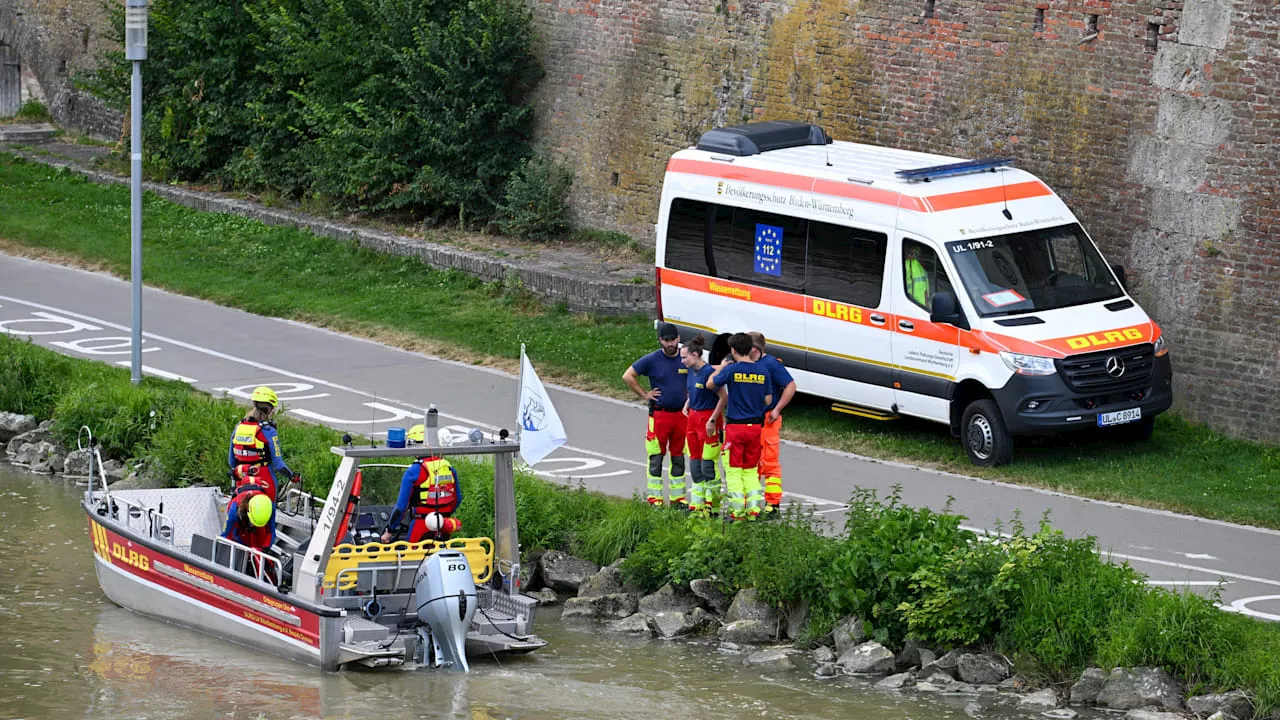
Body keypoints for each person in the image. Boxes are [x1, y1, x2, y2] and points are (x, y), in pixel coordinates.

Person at [705, 333, 772, 521]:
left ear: (733, 350)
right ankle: (753, 511)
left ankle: (737, 513)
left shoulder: (732, 370)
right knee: (750, 470)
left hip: (735, 427)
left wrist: (722, 368)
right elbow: (768, 399)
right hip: (755, 428)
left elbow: (710, 384)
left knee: (733, 471)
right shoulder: (762, 371)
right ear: (751, 349)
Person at [623, 322, 689, 507]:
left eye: (672, 340)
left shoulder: (685, 357)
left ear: (678, 339)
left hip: (682, 417)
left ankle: (678, 499)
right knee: (656, 457)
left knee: (678, 457)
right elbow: (628, 376)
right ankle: (655, 499)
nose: (669, 344)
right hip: (660, 416)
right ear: (660, 340)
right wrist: (645, 394)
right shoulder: (652, 359)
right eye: (665, 341)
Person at [747, 331, 796, 516]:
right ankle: (750, 503)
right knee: (750, 462)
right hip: (750, 420)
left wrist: (777, 409)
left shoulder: (771, 365)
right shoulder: (745, 363)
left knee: (769, 462)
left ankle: (772, 505)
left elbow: (790, 386)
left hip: (768, 420)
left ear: (753, 349)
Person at [228, 385, 299, 504]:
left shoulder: (238, 427)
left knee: (241, 514)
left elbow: (231, 461)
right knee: (268, 517)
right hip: (265, 479)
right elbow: (279, 465)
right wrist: (292, 476)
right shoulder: (269, 431)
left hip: (242, 480)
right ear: (270, 410)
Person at [681, 335, 726, 514]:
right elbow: (692, 392)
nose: (682, 360)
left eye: (684, 357)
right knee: (695, 463)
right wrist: (688, 403)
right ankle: (697, 505)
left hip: (708, 420)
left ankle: (712, 505)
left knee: (708, 465)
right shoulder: (691, 372)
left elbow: (723, 397)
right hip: (693, 418)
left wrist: (713, 419)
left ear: (695, 355)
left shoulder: (709, 373)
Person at [381, 453, 463, 544]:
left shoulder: (413, 471)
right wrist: (443, 514)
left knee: (412, 556)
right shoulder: (449, 469)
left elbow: (401, 508)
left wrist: (389, 530)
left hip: (420, 525)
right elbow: (457, 499)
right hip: (444, 524)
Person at [222, 485, 276, 581]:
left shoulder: (270, 507)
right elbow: (225, 535)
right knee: (238, 543)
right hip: (240, 521)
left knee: (258, 546)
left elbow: (270, 531)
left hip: (258, 520)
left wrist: (266, 548)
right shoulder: (234, 510)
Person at [905, 243, 931, 308]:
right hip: (910, 306)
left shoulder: (922, 270)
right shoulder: (908, 265)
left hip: (920, 308)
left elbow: (926, 292)